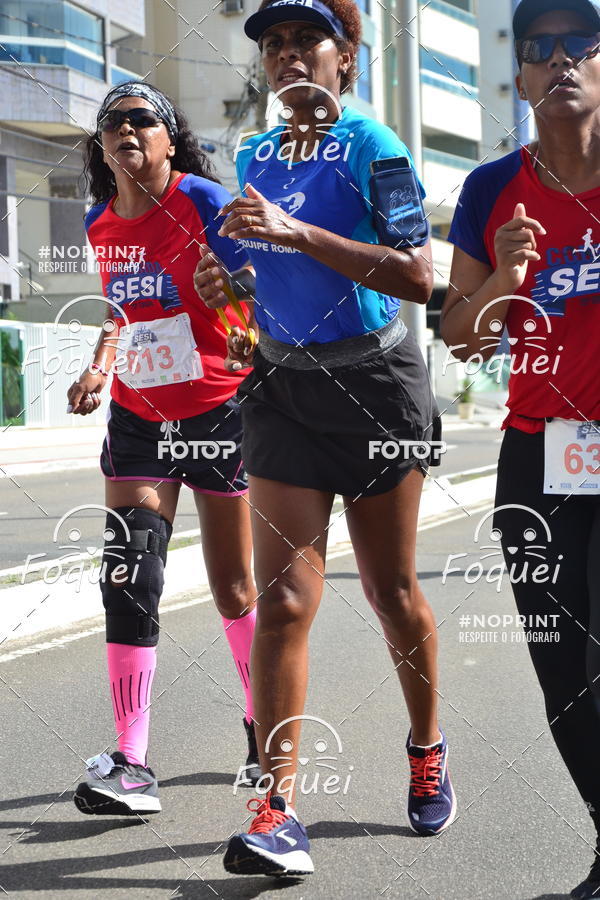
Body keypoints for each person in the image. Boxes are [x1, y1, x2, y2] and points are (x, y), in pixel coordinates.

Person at [193, 0, 455, 877]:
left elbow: (419, 275)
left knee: (391, 594)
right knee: (287, 604)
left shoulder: (375, 146)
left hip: (375, 388)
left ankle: (425, 746)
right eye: (273, 44)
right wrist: (225, 274)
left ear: (346, 59)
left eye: (307, 40)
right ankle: (275, 812)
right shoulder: (255, 154)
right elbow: (264, 269)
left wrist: (294, 231)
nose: (289, 55)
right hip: (283, 391)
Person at [67, 81, 260, 817]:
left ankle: (261, 724)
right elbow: (122, 307)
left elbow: (254, 296)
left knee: (234, 588)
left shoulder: (205, 203)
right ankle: (131, 761)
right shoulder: (98, 223)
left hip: (219, 410)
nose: (125, 129)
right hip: (140, 420)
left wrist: (229, 302)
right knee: (129, 571)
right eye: (112, 122)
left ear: (168, 138)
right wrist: (99, 364)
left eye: (141, 118)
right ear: (102, 146)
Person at [441, 2, 600, 896]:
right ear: (521, 81)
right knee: (563, 680)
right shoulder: (491, 189)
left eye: (577, 43)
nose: (558, 60)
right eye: (537, 50)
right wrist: (504, 277)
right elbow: (463, 337)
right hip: (539, 457)